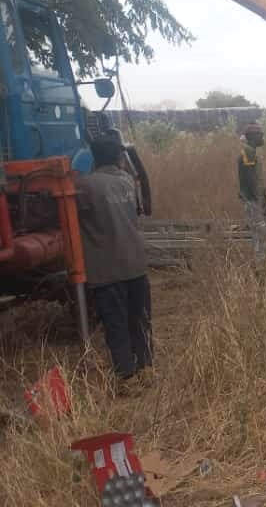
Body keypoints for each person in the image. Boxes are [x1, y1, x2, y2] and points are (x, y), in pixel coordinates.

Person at [76, 133, 152, 382]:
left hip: (107, 271)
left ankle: (125, 375)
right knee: (139, 318)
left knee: (115, 322)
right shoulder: (128, 180)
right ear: (118, 157)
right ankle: (146, 366)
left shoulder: (86, 186)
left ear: (94, 158)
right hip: (136, 264)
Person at [238, 123, 266, 257]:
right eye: (260, 134)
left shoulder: (250, 151)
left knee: (259, 232)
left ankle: (259, 261)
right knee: (260, 232)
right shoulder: (248, 151)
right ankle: (259, 263)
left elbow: (256, 177)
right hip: (252, 199)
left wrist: (264, 197)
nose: (262, 136)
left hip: (254, 198)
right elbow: (250, 178)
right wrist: (259, 198)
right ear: (252, 136)